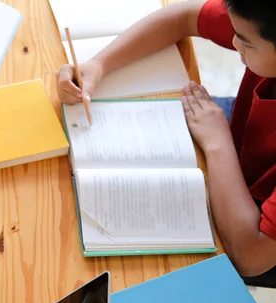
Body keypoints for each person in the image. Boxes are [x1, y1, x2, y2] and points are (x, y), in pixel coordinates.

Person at [56, 0, 276, 284]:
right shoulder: (261, 21)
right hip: (241, 136)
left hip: (257, 232)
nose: (234, 44)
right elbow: (184, 16)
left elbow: (251, 258)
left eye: (247, 44)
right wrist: (98, 65)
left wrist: (218, 142)